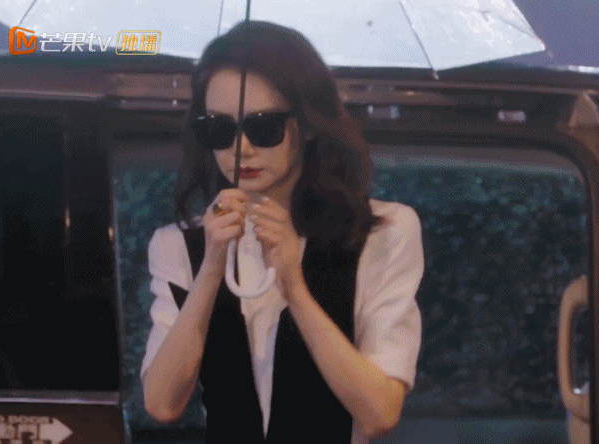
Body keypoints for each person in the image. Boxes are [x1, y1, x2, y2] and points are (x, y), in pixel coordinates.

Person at [140, 20, 424, 443]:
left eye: (263, 127)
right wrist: (212, 267)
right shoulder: (178, 245)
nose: (241, 148)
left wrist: (296, 289)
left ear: (307, 124)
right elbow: (161, 404)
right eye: (219, 129)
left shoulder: (380, 231)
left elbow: (380, 412)